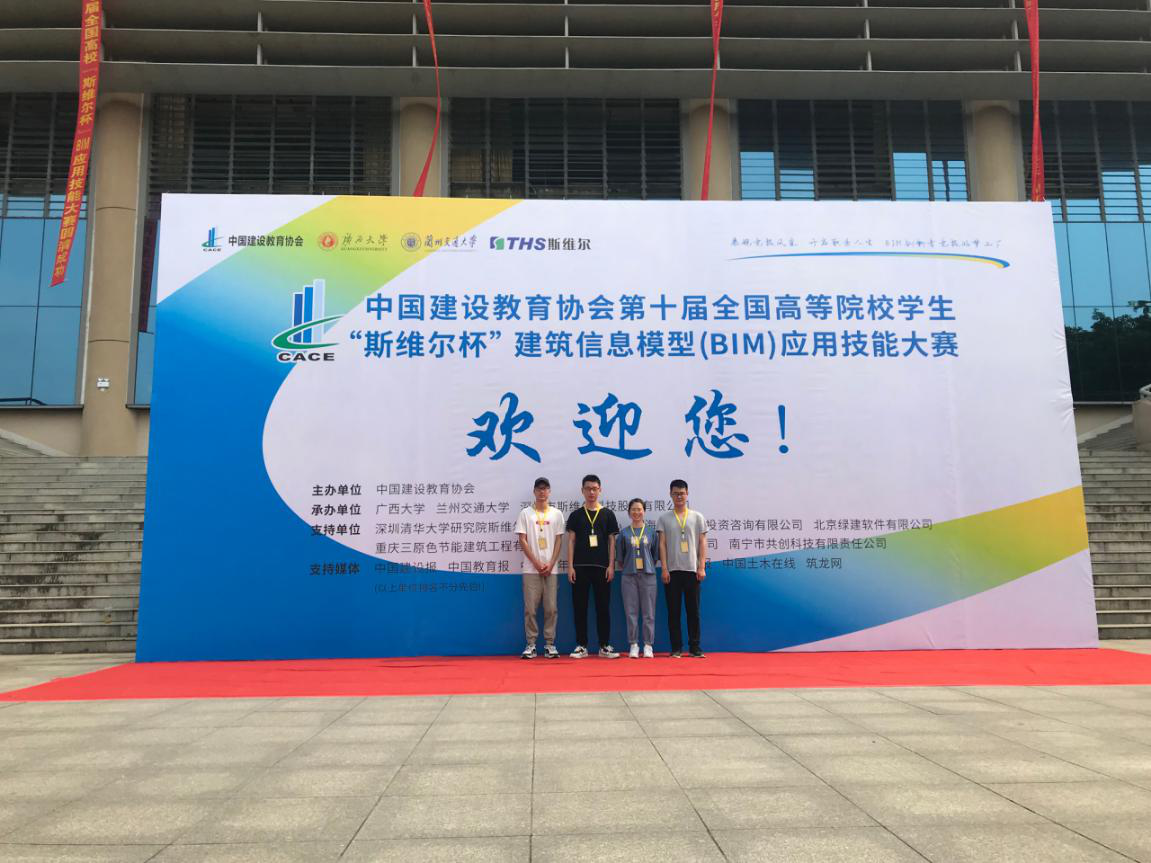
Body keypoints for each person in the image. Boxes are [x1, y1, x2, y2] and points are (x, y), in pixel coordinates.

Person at [565, 474, 620, 659]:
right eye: (588, 489)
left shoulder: (608, 514)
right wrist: (570, 566)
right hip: (580, 568)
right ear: (582, 490)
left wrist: (611, 565)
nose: (591, 492)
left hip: (602, 568)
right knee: (579, 608)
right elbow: (571, 541)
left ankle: (604, 646)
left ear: (600, 490)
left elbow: (612, 541)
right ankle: (581, 645)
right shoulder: (576, 515)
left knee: (603, 608)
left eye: (594, 489)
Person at [514, 477, 566, 659]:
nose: (542, 492)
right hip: (531, 569)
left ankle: (550, 644)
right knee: (531, 609)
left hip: (551, 569)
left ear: (549, 491)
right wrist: (536, 563)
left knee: (551, 608)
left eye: (545, 489)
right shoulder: (525, 514)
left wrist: (551, 563)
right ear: (534, 491)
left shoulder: (557, 514)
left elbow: (559, 540)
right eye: (539, 489)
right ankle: (531, 644)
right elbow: (522, 540)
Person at [657, 479, 707, 658]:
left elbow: (702, 542)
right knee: (673, 612)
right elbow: (662, 545)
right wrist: (664, 568)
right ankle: (676, 647)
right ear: (670, 495)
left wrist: (701, 567)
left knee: (693, 611)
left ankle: (695, 647)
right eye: (676, 493)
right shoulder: (664, 518)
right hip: (672, 572)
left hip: (692, 571)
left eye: (682, 493)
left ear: (687, 494)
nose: (679, 496)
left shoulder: (697, 517)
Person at [616, 497, 658, 659]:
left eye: (639, 509)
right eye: (633, 509)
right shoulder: (624, 533)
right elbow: (620, 558)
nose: (636, 512)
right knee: (631, 612)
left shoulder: (651, 532)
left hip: (648, 575)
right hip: (629, 576)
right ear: (629, 512)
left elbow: (655, 556)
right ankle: (633, 644)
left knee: (649, 613)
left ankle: (648, 645)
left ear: (644, 511)